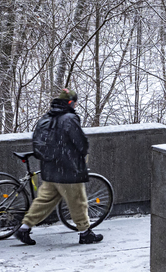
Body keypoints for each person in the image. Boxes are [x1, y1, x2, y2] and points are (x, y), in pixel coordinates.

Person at [14, 89, 104, 245]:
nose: (76, 105)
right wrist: (82, 154)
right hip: (68, 169)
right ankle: (85, 233)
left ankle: (24, 228)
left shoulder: (46, 118)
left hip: (50, 169)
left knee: (43, 201)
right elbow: (80, 142)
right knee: (78, 201)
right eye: (75, 102)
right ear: (70, 103)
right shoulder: (69, 118)